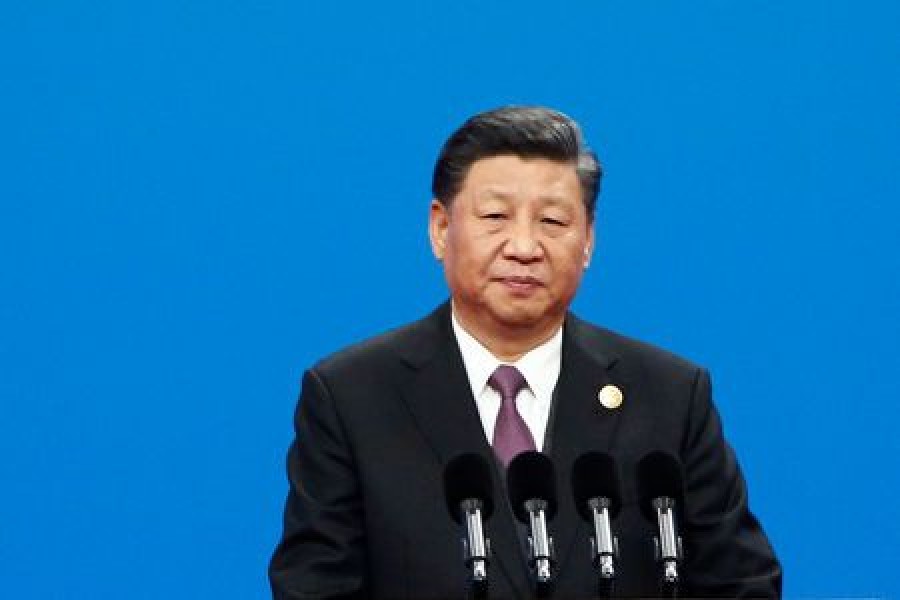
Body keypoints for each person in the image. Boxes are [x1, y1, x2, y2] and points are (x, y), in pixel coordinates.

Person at [269, 106, 782, 598]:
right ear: (440, 228)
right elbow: (314, 588)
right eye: (495, 216)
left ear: (588, 241)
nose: (523, 246)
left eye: (553, 223)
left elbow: (742, 585)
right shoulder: (352, 396)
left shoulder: (669, 395)